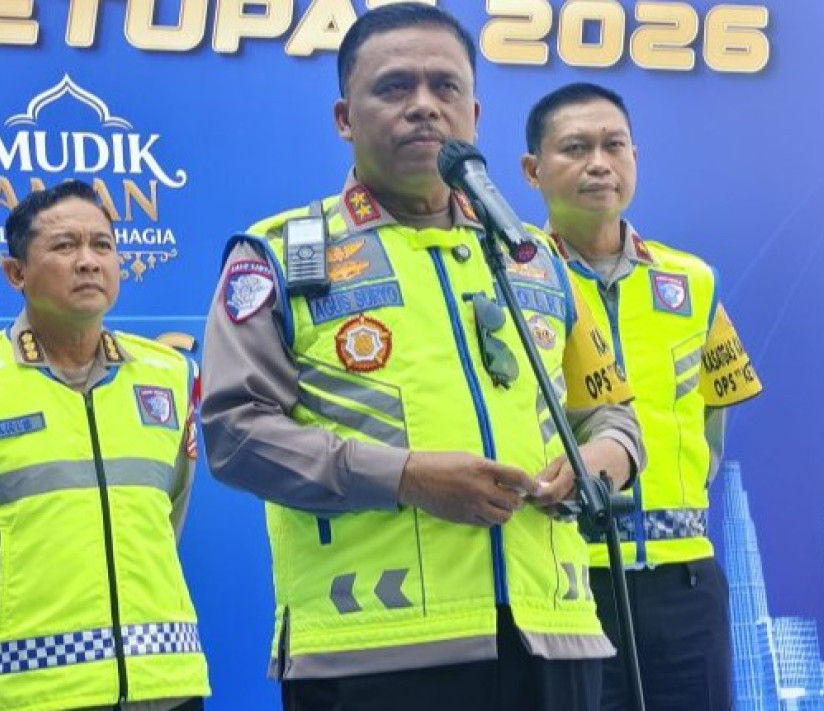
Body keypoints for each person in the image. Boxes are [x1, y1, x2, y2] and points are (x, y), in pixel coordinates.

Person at [200, 4, 648, 710]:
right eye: (393, 88)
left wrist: (604, 459)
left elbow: (612, 412)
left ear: (472, 112)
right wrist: (406, 477)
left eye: (443, 88)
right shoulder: (281, 255)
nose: (422, 107)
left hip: (554, 635)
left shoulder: (532, 258)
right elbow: (231, 434)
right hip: (372, 649)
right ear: (344, 117)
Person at [521, 82, 762, 711]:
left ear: (635, 158)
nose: (599, 162)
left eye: (614, 145)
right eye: (575, 147)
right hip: (564, 577)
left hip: (683, 581)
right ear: (532, 170)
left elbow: (716, 410)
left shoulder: (692, 280)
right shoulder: (508, 277)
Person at [0, 180, 210, 711]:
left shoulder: (168, 375)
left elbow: (171, 514)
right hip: (25, 691)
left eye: (102, 245)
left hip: (166, 683)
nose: (88, 261)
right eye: (64, 246)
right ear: (15, 273)